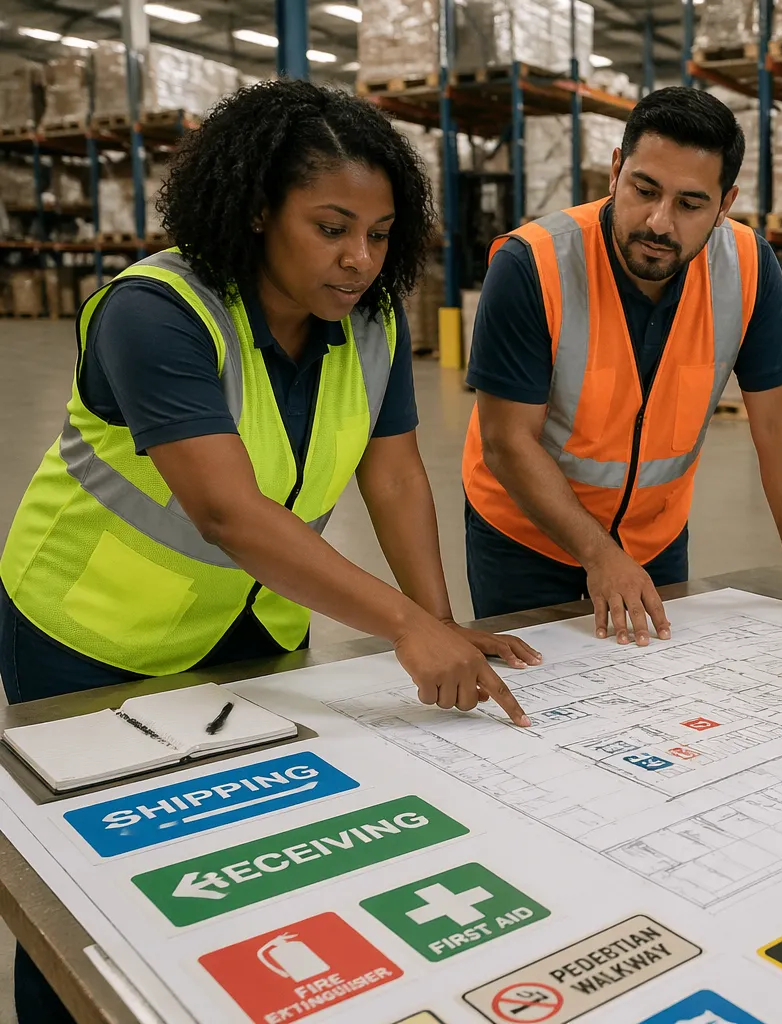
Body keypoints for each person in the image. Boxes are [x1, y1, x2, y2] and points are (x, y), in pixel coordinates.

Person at [0, 81, 542, 1020]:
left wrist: (443, 619)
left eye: (378, 234)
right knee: (89, 885)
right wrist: (406, 627)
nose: (359, 258)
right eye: (332, 227)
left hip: (250, 629)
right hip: (87, 631)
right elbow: (227, 513)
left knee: (229, 865)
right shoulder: (159, 312)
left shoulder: (366, 320)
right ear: (256, 210)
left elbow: (397, 475)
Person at [462, 86, 782, 643]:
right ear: (616, 171)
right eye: (644, 189)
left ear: (724, 204)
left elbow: (780, 425)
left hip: (653, 540)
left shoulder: (748, 267)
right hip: (523, 538)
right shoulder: (532, 264)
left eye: (689, 204)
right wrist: (599, 555)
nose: (659, 222)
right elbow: (507, 441)